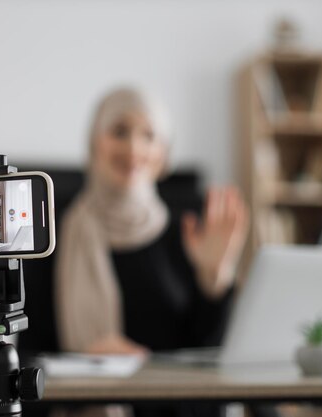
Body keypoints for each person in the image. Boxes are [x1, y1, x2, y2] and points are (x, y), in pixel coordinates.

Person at [54, 87, 249, 417]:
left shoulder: (184, 232)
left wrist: (214, 280)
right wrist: (84, 365)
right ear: (94, 142)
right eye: (119, 131)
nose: (134, 148)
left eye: (149, 136)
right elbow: (28, 359)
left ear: (164, 153)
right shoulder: (55, 234)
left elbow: (209, 359)